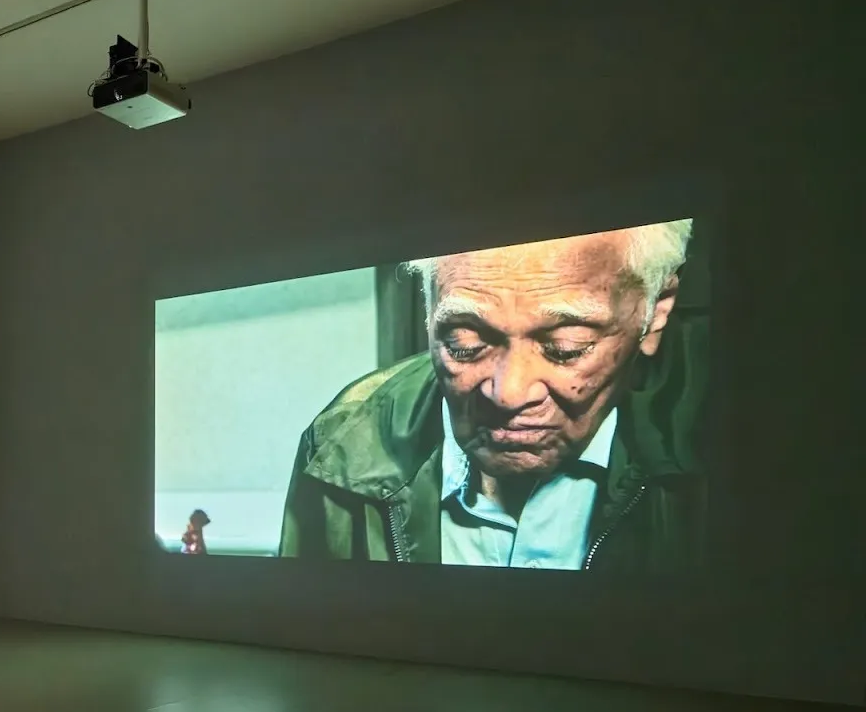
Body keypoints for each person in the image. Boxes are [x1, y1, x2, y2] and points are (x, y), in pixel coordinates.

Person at [278, 220, 706, 571]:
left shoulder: (732, 438)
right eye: (465, 343)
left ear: (655, 311)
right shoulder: (343, 446)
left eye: (565, 348)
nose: (508, 394)